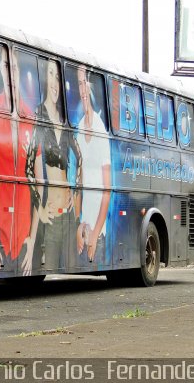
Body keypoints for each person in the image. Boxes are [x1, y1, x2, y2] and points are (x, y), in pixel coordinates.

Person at [22, 59, 81, 275]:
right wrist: (39, 206)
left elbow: (80, 159)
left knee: (74, 269)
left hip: (69, 215)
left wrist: (74, 193)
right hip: (53, 218)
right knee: (53, 266)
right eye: (51, 75)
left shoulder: (65, 121)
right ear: (45, 80)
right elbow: (29, 169)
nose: (55, 82)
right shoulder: (39, 116)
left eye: (58, 77)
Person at [0, 49, 38, 271]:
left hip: (24, 231)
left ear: (18, 72)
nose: (10, 73)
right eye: (6, 66)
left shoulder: (30, 117)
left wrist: (33, 240)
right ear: (1, 71)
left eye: (14, 67)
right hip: (1, 227)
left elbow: (40, 182)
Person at [74, 67, 111, 266]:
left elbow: (107, 190)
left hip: (99, 232)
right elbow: (80, 181)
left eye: (84, 83)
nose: (82, 89)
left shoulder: (100, 130)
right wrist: (79, 224)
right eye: (79, 83)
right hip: (85, 228)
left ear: (92, 85)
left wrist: (95, 234)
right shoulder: (80, 126)